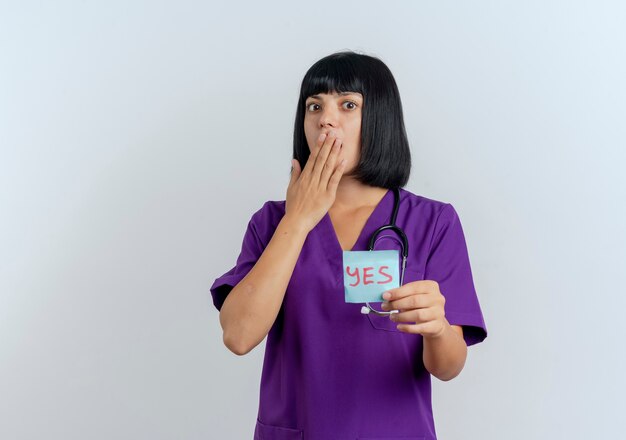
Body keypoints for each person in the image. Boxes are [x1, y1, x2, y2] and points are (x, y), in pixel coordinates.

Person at [210, 50, 488, 440]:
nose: (325, 118)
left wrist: (438, 328)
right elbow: (238, 336)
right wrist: (300, 218)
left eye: (348, 104)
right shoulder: (272, 222)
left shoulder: (434, 223)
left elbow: (448, 367)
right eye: (314, 105)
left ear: (381, 118)